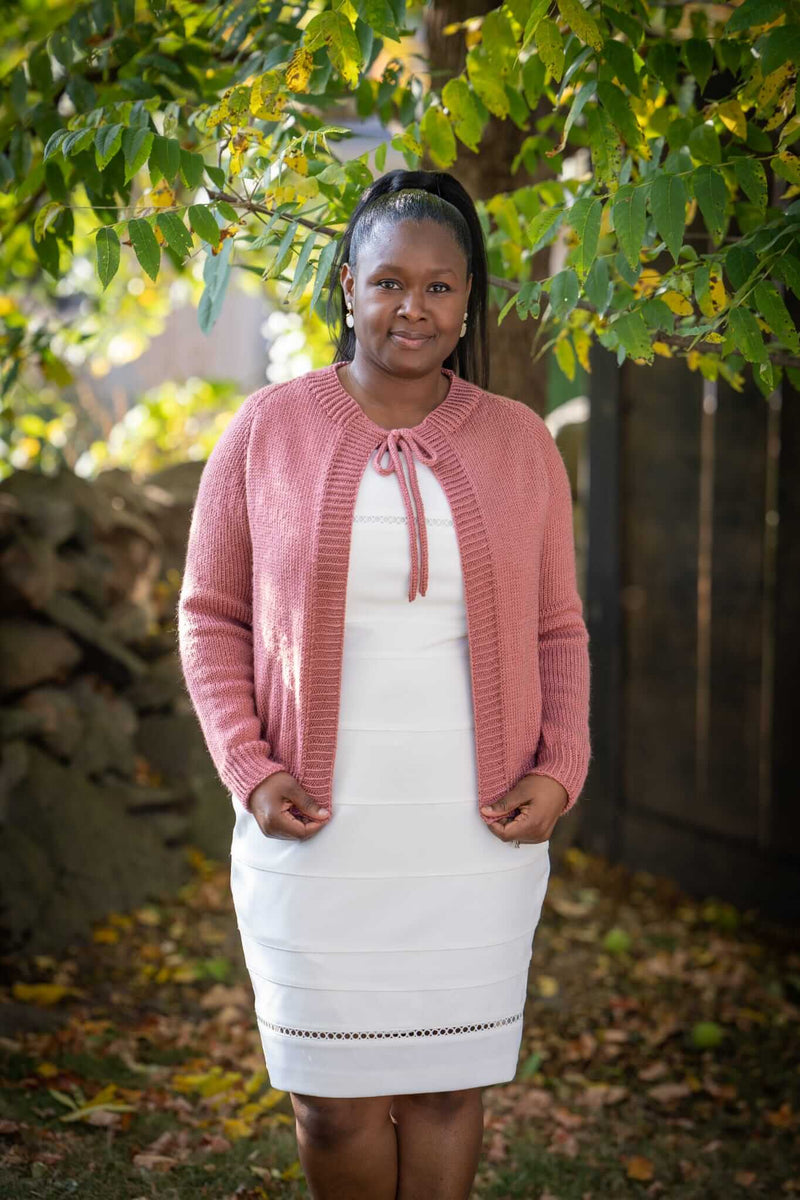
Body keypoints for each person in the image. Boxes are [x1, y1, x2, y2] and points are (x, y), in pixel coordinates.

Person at [177, 168, 591, 1200]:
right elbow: (210, 614)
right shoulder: (265, 430)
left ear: (469, 299)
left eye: (439, 286)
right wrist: (248, 767)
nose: (414, 307)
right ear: (347, 288)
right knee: (332, 1101)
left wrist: (561, 766)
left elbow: (557, 627)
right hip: (314, 826)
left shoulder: (519, 442)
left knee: (449, 1088)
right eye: (390, 282)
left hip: (473, 829)